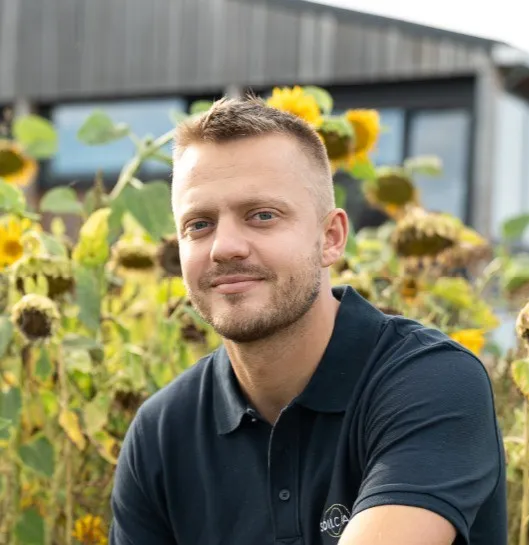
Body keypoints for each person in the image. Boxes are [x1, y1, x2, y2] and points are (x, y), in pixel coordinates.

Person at [109, 97, 507, 545]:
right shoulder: (162, 432)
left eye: (262, 216)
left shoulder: (432, 382)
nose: (224, 247)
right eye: (199, 224)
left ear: (331, 238)